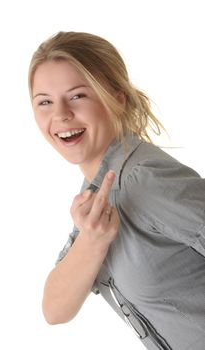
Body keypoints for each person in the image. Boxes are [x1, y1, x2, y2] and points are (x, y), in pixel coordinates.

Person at [28, 31, 205, 350]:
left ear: (116, 96)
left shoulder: (145, 180)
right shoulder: (98, 190)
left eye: (78, 95)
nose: (60, 114)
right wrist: (92, 241)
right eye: (45, 102)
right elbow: (55, 310)